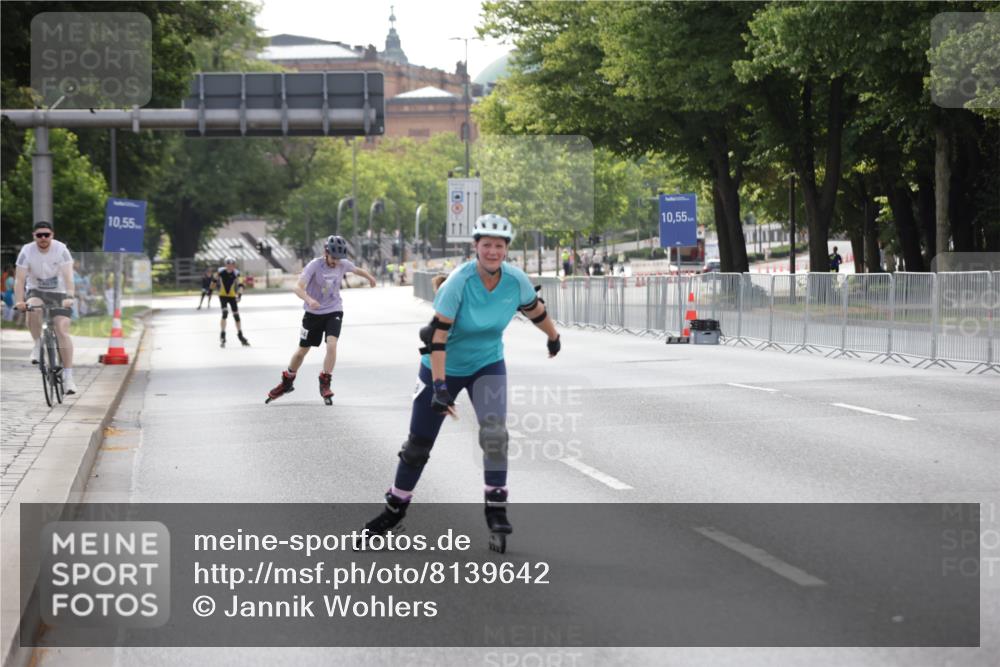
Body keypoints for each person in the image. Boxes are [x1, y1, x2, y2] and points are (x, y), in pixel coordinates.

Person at [362, 214, 561, 553]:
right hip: (442, 366)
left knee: (495, 433)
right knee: (417, 447)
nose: (493, 252)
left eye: (499, 246)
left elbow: (534, 309)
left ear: (506, 250)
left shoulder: (516, 280)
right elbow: (435, 338)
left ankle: (496, 509)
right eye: (487, 246)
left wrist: (553, 337)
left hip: (487, 364)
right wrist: (439, 388)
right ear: (476, 247)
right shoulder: (458, 282)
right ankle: (393, 510)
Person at [265, 235, 376, 405]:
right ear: (326, 253)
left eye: (339, 259)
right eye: (333, 258)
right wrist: (309, 300)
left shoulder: (342, 264)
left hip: (334, 310)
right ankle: (287, 381)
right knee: (302, 351)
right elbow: (297, 287)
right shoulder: (314, 265)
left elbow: (356, 269)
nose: (336, 263)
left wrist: (370, 278)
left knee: (332, 344)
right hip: (313, 314)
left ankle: (325, 381)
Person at [13, 221, 78, 394]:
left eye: (46, 235)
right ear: (34, 236)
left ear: (52, 235)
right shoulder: (27, 251)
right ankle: (37, 343)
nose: (43, 238)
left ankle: (69, 377)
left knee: (62, 330)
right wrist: (19, 301)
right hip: (36, 291)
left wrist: (70, 297)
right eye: (39, 235)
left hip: (59, 293)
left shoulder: (61, 250)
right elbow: (19, 279)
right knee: (32, 307)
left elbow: (69, 276)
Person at [212, 257, 249, 348]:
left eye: (232, 265)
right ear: (225, 265)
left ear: (234, 265)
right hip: (223, 295)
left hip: (232, 296)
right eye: (228, 265)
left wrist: (239, 295)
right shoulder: (220, 271)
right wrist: (210, 290)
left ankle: (240, 334)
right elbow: (214, 281)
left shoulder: (236, 273)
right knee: (225, 313)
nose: (230, 267)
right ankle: (223, 334)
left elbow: (241, 285)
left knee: (236, 315)